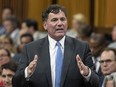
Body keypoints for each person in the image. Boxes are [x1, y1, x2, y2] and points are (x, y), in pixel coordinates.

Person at [12, 4, 99, 87]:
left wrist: (87, 73)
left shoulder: (81, 47)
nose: (60, 23)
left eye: (62, 19)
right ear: (45, 25)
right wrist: (27, 72)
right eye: (54, 20)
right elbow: (16, 83)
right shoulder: (30, 49)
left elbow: (96, 82)